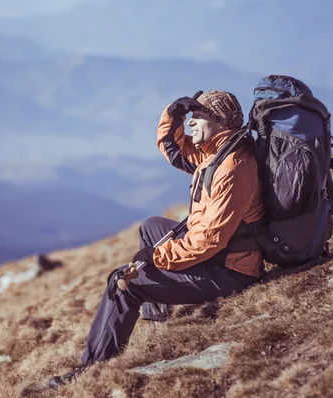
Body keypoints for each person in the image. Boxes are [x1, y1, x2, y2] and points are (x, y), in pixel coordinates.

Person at [48, 90, 265, 389]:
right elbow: (173, 148)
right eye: (190, 118)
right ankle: (159, 315)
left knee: (123, 282)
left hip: (230, 271)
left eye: (198, 117)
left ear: (219, 121)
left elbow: (208, 241)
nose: (191, 124)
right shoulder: (216, 152)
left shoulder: (232, 168)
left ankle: (92, 368)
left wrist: (157, 257)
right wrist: (173, 114)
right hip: (220, 256)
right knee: (150, 226)